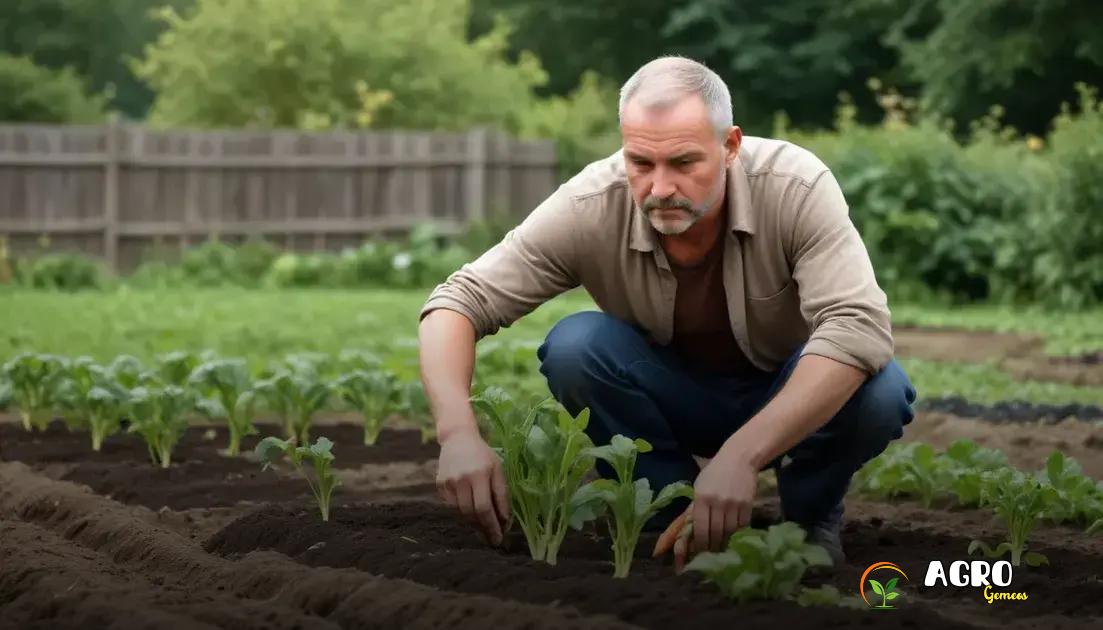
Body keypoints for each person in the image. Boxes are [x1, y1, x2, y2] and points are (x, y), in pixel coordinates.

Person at [417, 55, 916, 571]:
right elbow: (458, 301)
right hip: (674, 394)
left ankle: (810, 519)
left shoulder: (795, 186)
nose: (659, 189)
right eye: (641, 163)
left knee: (879, 391)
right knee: (576, 348)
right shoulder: (593, 203)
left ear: (730, 147)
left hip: (790, 397)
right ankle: (663, 512)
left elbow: (857, 325)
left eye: (683, 163)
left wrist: (740, 457)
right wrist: (456, 435)